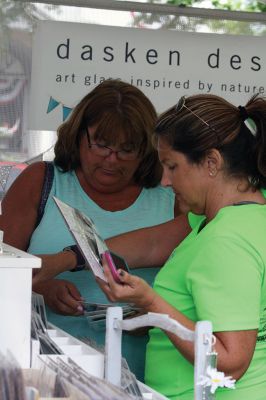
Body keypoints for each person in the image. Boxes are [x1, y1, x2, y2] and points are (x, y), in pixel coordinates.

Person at [0, 79, 191, 381]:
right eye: (101, 145)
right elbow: (3, 269)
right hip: (42, 373)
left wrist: (154, 316)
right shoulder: (41, 181)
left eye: (127, 150)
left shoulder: (173, 196)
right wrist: (41, 290)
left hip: (142, 377)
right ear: (77, 136)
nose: (112, 159)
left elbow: (192, 288)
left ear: (147, 150)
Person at [98, 93, 266, 399]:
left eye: (172, 166)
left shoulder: (226, 239)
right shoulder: (240, 217)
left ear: (211, 162)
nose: (164, 181)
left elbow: (230, 362)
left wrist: (152, 304)